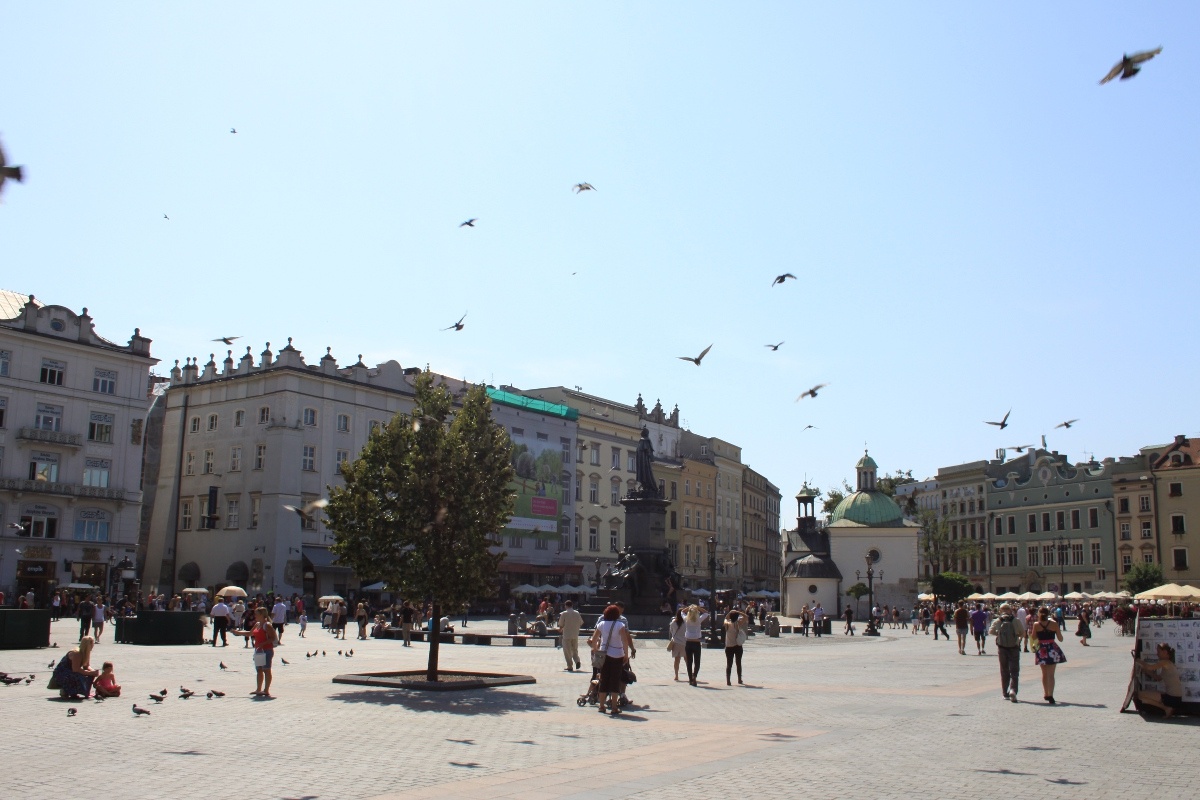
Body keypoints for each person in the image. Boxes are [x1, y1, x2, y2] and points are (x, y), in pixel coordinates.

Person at [587, 604, 635, 715]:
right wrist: (626, 654)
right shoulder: (620, 625)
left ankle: (601, 706)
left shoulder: (601, 624)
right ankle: (614, 707)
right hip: (617, 654)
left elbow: (594, 639)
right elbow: (624, 641)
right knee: (615, 680)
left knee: (603, 679)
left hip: (604, 654)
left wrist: (595, 650)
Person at [231, 606, 278, 697]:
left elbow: (273, 638)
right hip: (258, 650)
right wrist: (237, 632)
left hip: (266, 650)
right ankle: (258, 689)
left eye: (256, 614)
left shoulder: (267, 625)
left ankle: (266, 690)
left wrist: (263, 644)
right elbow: (250, 633)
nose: (255, 616)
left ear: (262, 615)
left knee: (266, 670)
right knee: (259, 670)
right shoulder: (257, 624)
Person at [988, 603, 1025, 703]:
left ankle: (1005, 692)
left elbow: (990, 631)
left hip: (1002, 648)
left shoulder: (998, 620)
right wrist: (1017, 637)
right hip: (1014, 647)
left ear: (1000, 610)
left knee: (1004, 670)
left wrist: (999, 634)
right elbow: (1022, 632)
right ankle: (1013, 690)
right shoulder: (1016, 620)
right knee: (1014, 670)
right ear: (1010, 610)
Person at [1137, 643, 1183, 719]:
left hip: (1172, 698)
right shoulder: (1169, 664)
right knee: (1145, 695)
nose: (1157, 654)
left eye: (1158, 651)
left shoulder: (1165, 662)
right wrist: (1145, 670)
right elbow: (1158, 678)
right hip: (1176, 698)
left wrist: (1138, 660)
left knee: (1139, 695)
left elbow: (1149, 667)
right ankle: (1167, 707)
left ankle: (1166, 708)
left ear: (1165, 652)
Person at [1032, 606, 1066, 704]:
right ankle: (1050, 695)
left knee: (1044, 673)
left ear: (1039, 614)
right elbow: (1060, 639)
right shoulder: (1054, 623)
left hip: (1041, 649)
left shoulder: (1036, 624)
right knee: (1051, 674)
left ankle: (1046, 693)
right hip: (1052, 649)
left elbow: (1033, 637)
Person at [681, 604, 709, 685]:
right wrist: (698, 608)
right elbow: (706, 613)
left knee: (689, 662)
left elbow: (682, 612)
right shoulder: (698, 620)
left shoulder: (686, 619)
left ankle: (690, 679)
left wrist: (689, 607)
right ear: (697, 613)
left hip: (688, 642)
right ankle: (694, 676)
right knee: (697, 662)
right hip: (696, 642)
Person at [724, 609, 748, 685]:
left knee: (729, 664)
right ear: (737, 617)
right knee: (738, 663)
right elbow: (746, 616)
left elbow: (725, 618)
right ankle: (739, 679)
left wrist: (730, 612)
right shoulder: (738, 624)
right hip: (737, 646)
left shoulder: (727, 624)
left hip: (729, 646)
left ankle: (728, 680)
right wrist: (738, 612)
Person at [558, 599, 583, 672]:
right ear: (572, 605)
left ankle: (569, 666)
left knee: (567, 651)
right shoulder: (577, 613)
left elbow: (561, 624)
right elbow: (581, 622)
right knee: (575, 649)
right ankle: (577, 660)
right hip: (575, 634)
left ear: (566, 606)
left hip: (567, 635)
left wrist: (560, 629)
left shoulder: (564, 613)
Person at [668, 607, 687, 680]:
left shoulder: (673, 622)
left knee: (677, 660)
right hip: (684, 643)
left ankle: (676, 675)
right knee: (687, 659)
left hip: (676, 642)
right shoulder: (686, 622)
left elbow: (671, 631)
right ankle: (690, 673)